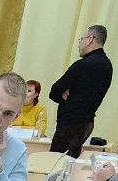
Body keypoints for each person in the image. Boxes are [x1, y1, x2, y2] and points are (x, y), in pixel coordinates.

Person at [48, 24, 112, 157]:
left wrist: (64, 92)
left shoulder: (82, 65)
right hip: (87, 124)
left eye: (81, 39)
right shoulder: (107, 66)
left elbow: (54, 92)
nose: (79, 44)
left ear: (89, 39)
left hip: (69, 125)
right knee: (70, 163)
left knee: (55, 164)